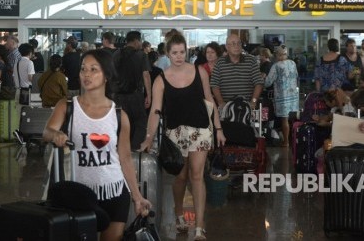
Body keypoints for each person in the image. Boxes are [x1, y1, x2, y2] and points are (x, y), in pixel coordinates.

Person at [43, 49, 151, 240]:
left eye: (94, 69)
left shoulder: (119, 115)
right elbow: (46, 132)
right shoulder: (67, 106)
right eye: (83, 69)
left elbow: (124, 157)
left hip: (115, 191)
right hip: (78, 195)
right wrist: (55, 134)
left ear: (107, 75)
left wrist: (137, 196)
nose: (87, 74)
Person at [140, 34, 226, 241]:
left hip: (201, 130)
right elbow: (155, 111)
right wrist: (149, 137)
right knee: (180, 177)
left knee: (197, 175)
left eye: (182, 52)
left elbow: (210, 101)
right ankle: (179, 214)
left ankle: (199, 227)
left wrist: (218, 128)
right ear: (167, 54)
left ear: (186, 51)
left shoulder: (199, 72)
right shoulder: (160, 79)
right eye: (174, 53)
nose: (179, 56)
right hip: (175, 133)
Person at [111, 31, 152, 151]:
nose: (140, 44)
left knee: (120, 123)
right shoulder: (141, 55)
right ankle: (135, 149)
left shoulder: (116, 54)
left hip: (118, 96)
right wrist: (148, 95)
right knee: (139, 122)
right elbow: (146, 75)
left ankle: (120, 148)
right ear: (135, 41)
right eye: (140, 41)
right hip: (135, 95)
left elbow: (111, 74)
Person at [210, 34, 263, 109]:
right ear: (227, 47)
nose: (237, 46)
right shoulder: (219, 63)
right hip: (227, 108)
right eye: (233, 43)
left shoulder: (251, 61)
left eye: (239, 43)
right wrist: (221, 102)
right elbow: (214, 85)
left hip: (247, 107)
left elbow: (259, 83)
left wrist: (253, 102)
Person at [264, 45, 298, 147]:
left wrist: (263, 78)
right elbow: (296, 76)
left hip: (282, 96)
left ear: (277, 55)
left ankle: (286, 142)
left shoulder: (276, 66)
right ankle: (293, 140)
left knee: (284, 120)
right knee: (292, 119)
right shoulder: (293, 63)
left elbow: (268, 82)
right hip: (293, 95)